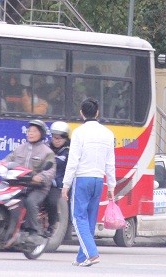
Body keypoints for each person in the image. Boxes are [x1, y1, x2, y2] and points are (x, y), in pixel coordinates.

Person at [61, 98, 116, 267]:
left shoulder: (79, 133)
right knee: (90, 219)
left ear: (81, 113)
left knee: (78, 218)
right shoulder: (108, 134)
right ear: (97, 113)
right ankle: (81, 257)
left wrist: (66, 185)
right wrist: (111, 185)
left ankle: (92, 254)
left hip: (82, 179)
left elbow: (73, 161)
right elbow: (110, 162)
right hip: (98, 180)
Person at [0, 119, 55, 238]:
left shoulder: (47, 152)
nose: (30, 133)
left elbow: (51, 170)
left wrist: (40, 177)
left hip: (37, 187)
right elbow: (8, 159)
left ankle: (34, 232)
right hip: (18, 184)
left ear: (41, 133)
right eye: (29, 131)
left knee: (30, 202)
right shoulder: (20, 148)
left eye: (34, 131)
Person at [45, 120, 71, 236]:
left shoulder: (68, 152)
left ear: (65, 138)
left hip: (57, 185)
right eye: (54, 138)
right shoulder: (45, 148)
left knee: (51, 201)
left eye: (59, 138)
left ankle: (52, 224)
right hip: (42, 182)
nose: (56, 141)